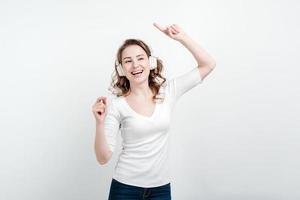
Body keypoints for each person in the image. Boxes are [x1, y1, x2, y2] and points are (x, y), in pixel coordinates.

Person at [92, 23, 216, 200]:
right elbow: (103, 158)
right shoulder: (117, 105)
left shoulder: (169, 92)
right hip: (125, 188)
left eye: (140, 58)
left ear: (150, 62)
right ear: (121, 70)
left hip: (160, 188)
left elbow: (209, 64)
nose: (135, 65)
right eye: (128, 61)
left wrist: (182, 37)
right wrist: (99, 123)